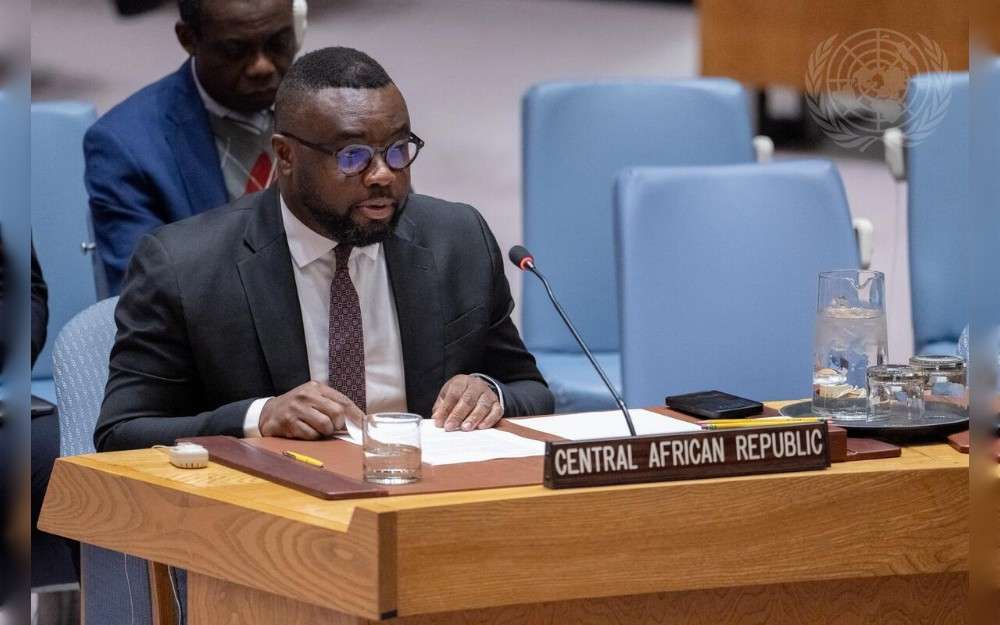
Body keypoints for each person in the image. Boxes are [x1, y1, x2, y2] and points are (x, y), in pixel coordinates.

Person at [94, 47, 553, 452]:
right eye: (352, 156)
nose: (382, 175)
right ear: (286, 156)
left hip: (427, 503)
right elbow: (122, 432)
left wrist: (490, 390)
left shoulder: (457, 239)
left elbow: (530, 389)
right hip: (269, 522)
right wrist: (259, 418)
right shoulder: (184, 266)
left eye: (397, 150)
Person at [85, 0, 298, 295]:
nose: (262, 66)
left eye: (279, 43)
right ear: (188, 39)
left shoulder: (340, 109)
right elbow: (145, 298)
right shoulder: (126, 145)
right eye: (235, 50)